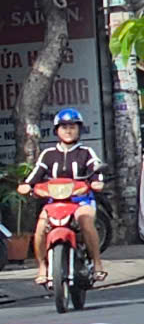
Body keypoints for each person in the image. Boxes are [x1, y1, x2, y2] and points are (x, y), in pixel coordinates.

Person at [24, 107, 105, 288]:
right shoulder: (48, 154)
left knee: (85, 221)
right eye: (64, 127)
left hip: (81, 201)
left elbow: (96, 172)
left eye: (72, 127)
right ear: (56, 130)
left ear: (79, 130)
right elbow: (36, 174)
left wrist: (96, 182)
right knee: (40, 227)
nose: (68, 131)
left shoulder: (86, 153)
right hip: (55, 203)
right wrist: (26, 185)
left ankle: (97, 263)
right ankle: (42, 266)